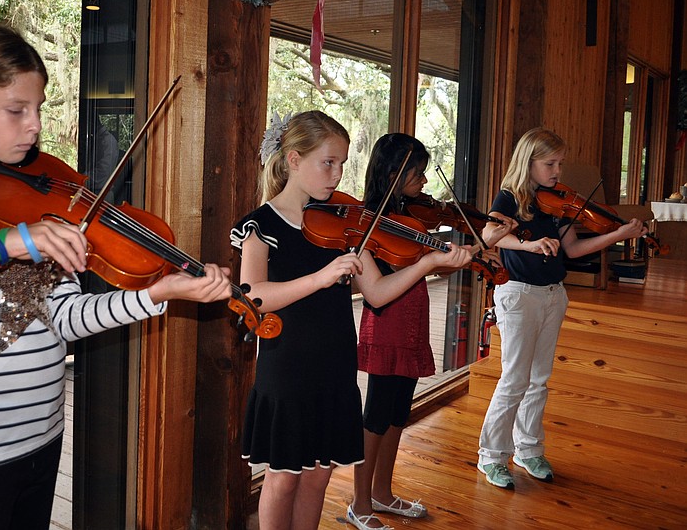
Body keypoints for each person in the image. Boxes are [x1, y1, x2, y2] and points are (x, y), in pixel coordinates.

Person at [0, 23, 232, 530]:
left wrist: (156, 293)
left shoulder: (44, 196)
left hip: (43, 434)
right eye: (16, 110)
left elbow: (63, 316)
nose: (34, 125)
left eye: (38, 108)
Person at [229, 112, 472, 530]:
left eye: (343, 163)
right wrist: (321, 278)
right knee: (283, 479)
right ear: (293, 160)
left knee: (319, 477)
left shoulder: (343, 224)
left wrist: (428, 262)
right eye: (329, 162)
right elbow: (255, 295)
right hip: (287, 366)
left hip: (336, 365)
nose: (338, 174)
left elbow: (377, 293)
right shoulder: (262, 225)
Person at [349, 134, 512, 529]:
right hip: (387, 321)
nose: (424, 182)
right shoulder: (370, 221)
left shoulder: (410, 216)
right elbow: (391, 276)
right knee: (377, 415)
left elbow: (432, 264)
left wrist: (474, 248)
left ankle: (383, 494)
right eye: (416, 173)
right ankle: (359, 504)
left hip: (411, 321)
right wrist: (468, 249)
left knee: (398, 414)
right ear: (392, 173)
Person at [476, 127, 647, 490]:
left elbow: (573, 249)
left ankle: (528, 449)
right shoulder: (510, 197)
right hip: (519, 293)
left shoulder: (558, 201)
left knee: (539, 379)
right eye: (549, 163)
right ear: (529, 162)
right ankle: (491, 456)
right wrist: (528, 244)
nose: (557, 171)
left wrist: (619, 235)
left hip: (554, 294)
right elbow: (492, 234)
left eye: (560, 163)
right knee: (514, 379)